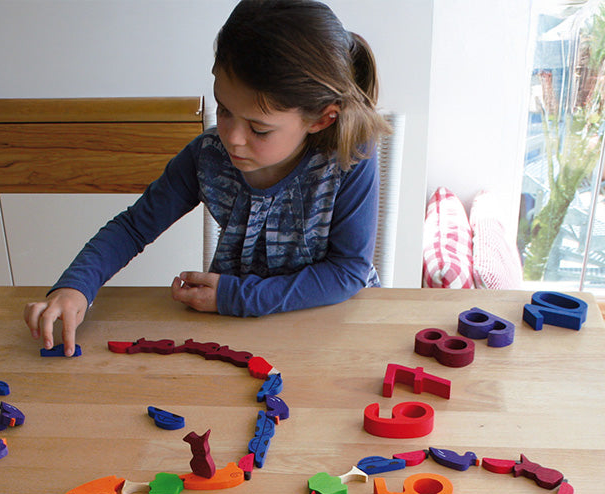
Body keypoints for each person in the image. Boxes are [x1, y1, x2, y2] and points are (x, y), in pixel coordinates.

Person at [24, 0, 391, 355]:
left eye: (259, 129)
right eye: (224, 109)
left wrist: (237, 296)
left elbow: (347, 271)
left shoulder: (351, 158)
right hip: (230, 332)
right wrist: (76, 287)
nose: (231, 136)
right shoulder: (207, 156)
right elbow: (133, 228)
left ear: (321, 119)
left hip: (330, 331)